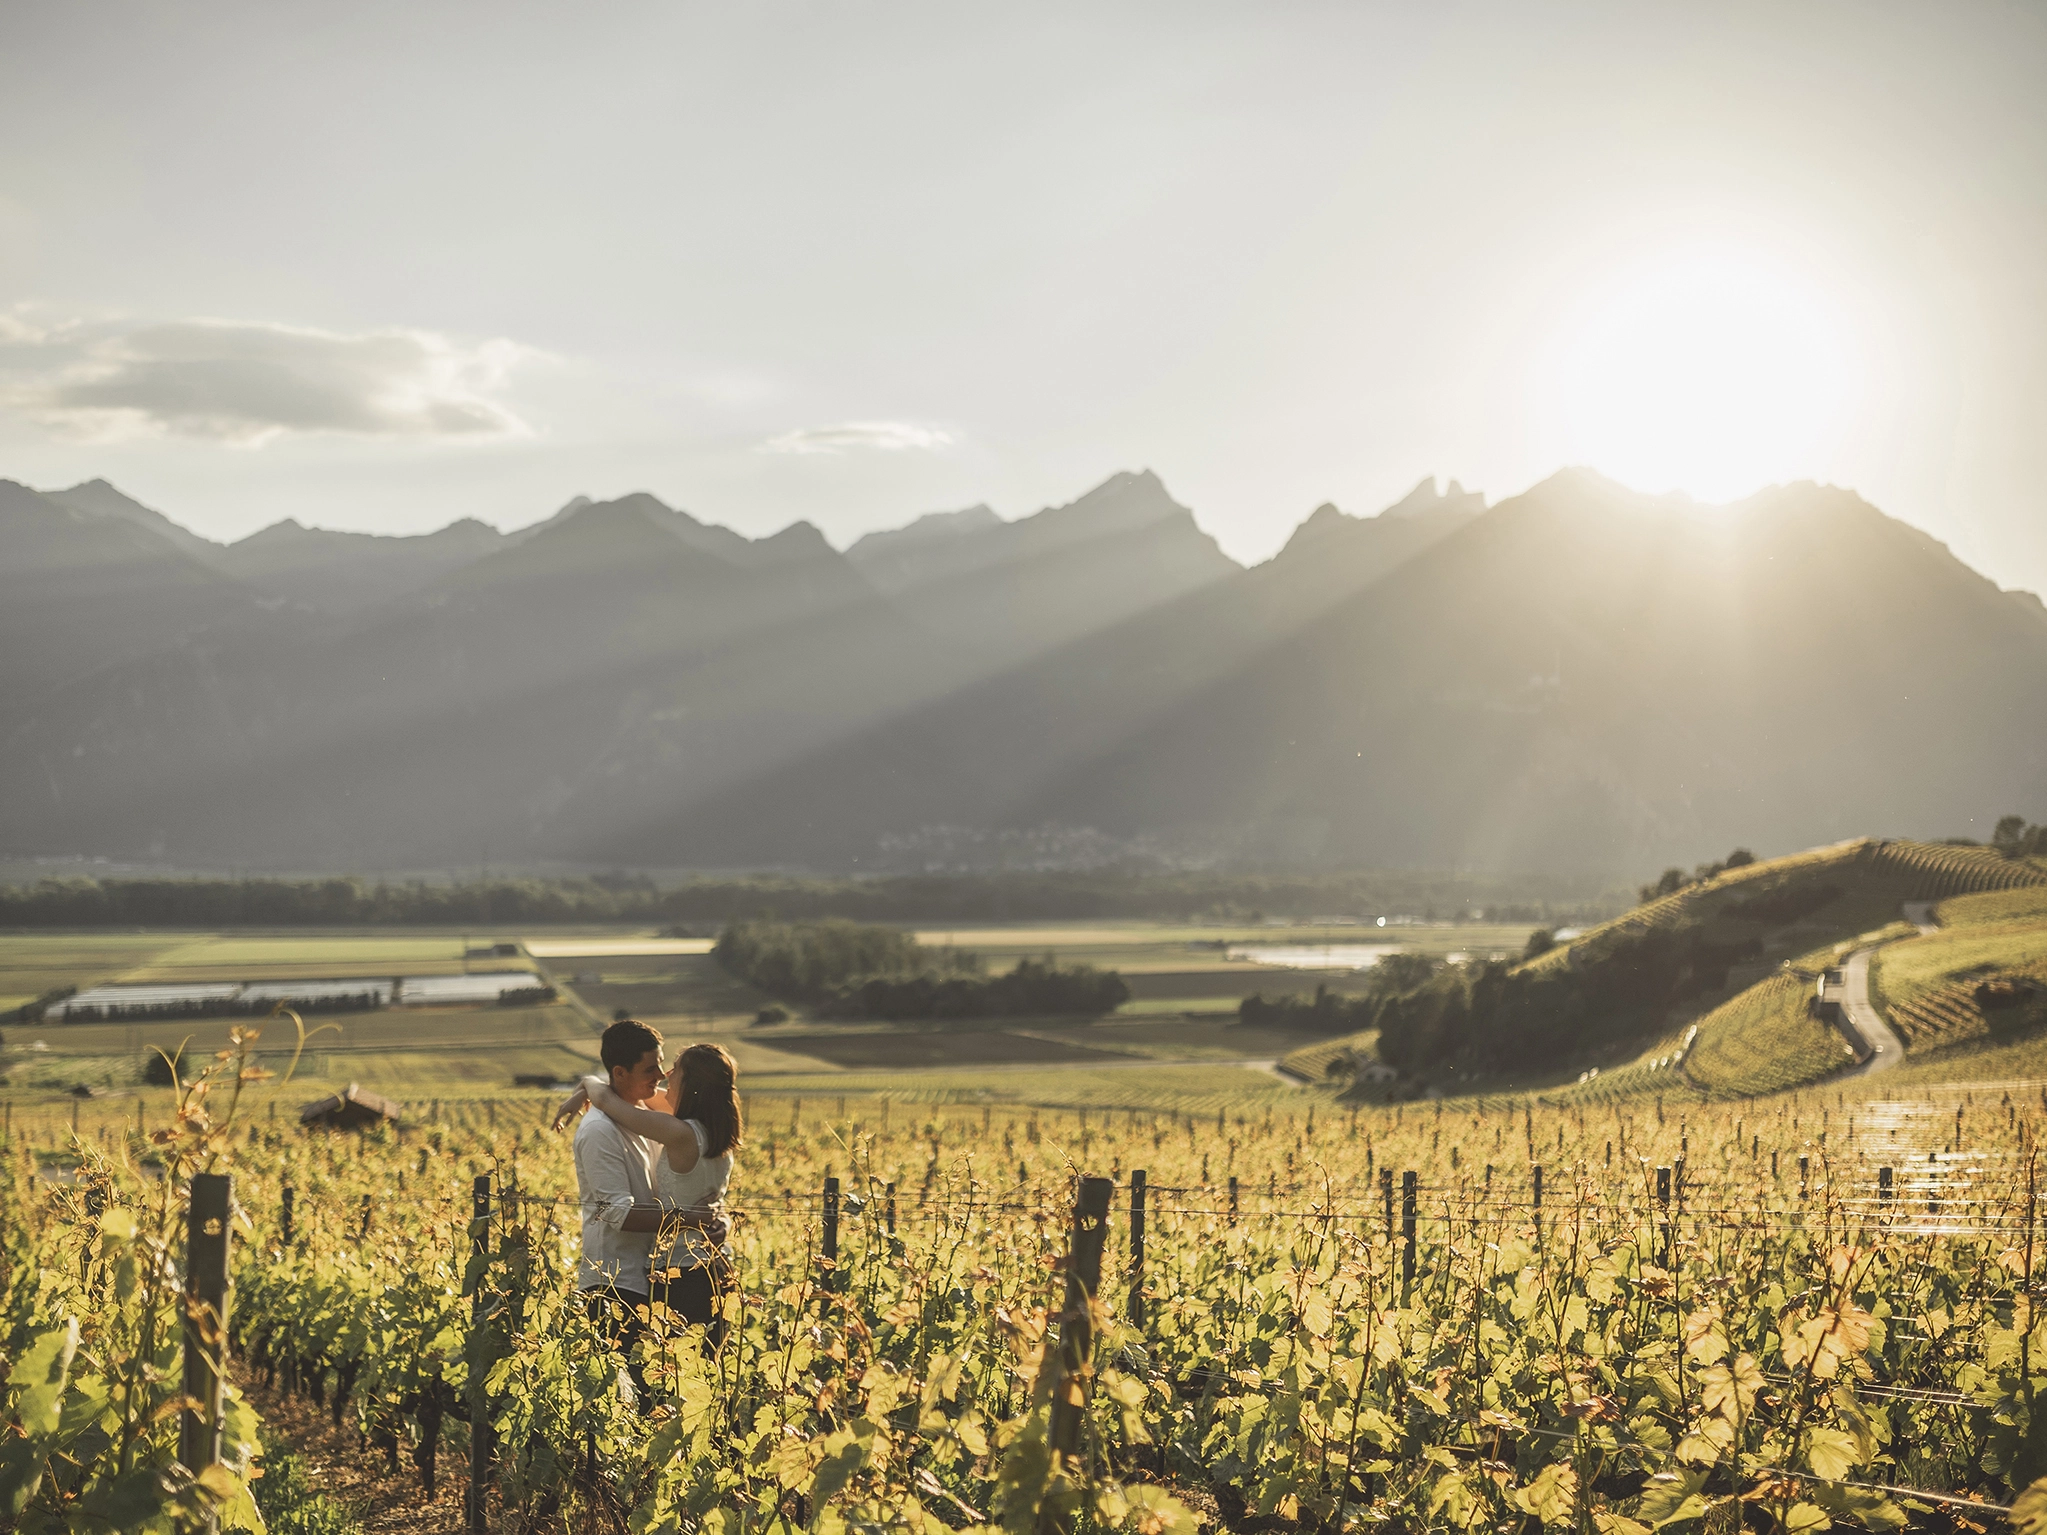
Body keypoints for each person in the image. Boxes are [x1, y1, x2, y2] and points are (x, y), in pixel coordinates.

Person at [556, 1019, 725, 1399]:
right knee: (629, 1404)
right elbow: (619, 1215)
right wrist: (693, 1220)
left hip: (651, 1279)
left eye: (664, 1065)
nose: (661, 1076)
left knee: (661, 1399)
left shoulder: (650, 1117)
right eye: (651, 1069)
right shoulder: (600, 1131)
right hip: (615, 1285)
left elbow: (686, 1186)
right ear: (620, 1072)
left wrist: (715, 1217)